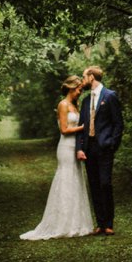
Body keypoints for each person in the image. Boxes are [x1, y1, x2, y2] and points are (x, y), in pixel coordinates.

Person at [18, 75, 97, 240]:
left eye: (81, 90)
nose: (80, 93)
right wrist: (83, 127)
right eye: (78, 89)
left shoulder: (75, 105)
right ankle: (62, 222)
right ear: (70, 88)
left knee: (76, 179)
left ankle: (76, 222)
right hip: (65, 147)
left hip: (75, 147)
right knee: (66, 179)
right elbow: (64, 129)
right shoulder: (63, 105)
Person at [75, 65, 123, 235]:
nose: (82, 80)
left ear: (91, 77)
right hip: (89, 148)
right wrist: (80, 148)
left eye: (84, 77)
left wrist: (112, 145)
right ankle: (100, 223)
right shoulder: (86, 100)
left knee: (105, 183)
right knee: (94, 185)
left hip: (105, 148)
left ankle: (109, 223)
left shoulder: (110, 96)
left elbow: (118, 123)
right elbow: (82, 126)